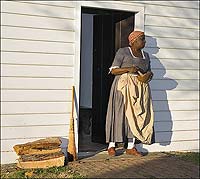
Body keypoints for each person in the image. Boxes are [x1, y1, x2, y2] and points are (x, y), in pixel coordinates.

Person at [105, 30, 154, 157]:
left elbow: (148, 71)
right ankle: (111, 145)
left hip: (139, 88)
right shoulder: (123, 52)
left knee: (135, 115)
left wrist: (149, 74)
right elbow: (113, 71)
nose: (144, 41)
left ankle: (131, 146)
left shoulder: (146, 55)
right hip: (123, 87)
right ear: (133, 41)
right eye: (142, 39)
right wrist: (128, 69)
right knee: (119, 113)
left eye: (144, 39)